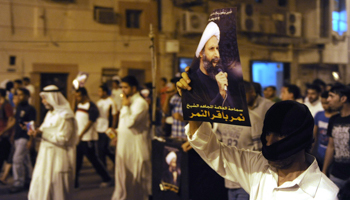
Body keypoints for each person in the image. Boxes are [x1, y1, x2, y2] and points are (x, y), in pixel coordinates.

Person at [176, 75, 339, 199]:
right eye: (268, 133)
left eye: (280, 135)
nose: (269, 141)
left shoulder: (324, 194)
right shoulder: (259, 167)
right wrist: (193, 104)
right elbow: (213, 150)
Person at [28, 85, 78, 200]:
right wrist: (35, 131)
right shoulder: (50, 114)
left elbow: (64, 138)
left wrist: (42, 134)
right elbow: (44, 130)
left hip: (58, 159)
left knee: (57, 190)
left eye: (45, 98)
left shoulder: (66, 116)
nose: (43, 101)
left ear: (53, 97)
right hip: (45, 157)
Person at [112, 76, 151, 200]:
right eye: (121, 87)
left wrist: (125, 107)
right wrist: (117, 133)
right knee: (123, 175)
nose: (122, 90)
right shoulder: (128, 101)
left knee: (135, 177)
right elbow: (123, 124)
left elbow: (130, 123)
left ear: (134, 88)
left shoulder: (140, 103)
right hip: (124, 145)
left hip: (135, 147)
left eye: (125, 87)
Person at [182, 22, 235, 108]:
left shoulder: (222, 79)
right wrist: (221, 93)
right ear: (201, 53)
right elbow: (202, 114)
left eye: (217, 49)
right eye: (211, 49)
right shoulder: (192, 82)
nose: (216, 54)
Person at [213, 109, 263, 200]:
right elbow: (217, 145)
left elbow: (261, 153)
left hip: (247, 182)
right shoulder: (223, 117)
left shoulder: (253, 119)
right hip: (229, 181)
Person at [74, 87, 112, 188]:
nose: (77, 98)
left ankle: (106, 178)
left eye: (79, 96)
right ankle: (74, 182)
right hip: (79, 138)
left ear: (84, 95)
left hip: (87, 138)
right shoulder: (78, 105)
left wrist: (82, 133)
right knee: (77, 161)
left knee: (94, 160)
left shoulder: (91, 106)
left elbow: (91, 121)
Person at [322, 84, 350, 189]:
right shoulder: (334, 119)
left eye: (331, 96)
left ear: (343, 98)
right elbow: (331, 146)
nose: (328, 100)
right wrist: (324, 170)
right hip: (336, 174)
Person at [9, 88, 36, 193]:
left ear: (27, 96)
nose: (19, 97)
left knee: (17, 159)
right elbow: (16, 122)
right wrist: (12, 134)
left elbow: (31, 124)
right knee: (25, 160)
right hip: (17, 136)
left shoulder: (30, 109)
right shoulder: (19, 107)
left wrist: (31, 140)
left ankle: (18, 182)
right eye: (18, 95)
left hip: (24, 137)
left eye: (21, 95)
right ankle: (30, 179)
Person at [311, 91, 338, 169]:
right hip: (319, 153)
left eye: (326, 103)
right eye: (322, 103)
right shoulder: (319, 115)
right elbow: (314, 135)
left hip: (332, 156)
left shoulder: (336, 117)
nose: (324, 106)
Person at [96, 84, 117, 167]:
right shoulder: (98, 102)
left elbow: (114, 115)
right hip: (98, 128)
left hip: (107, 128)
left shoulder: (111, 101)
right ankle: (103, 165)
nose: (98, 93)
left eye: (100, 91)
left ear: (104, 92)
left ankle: (115, 161)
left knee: (105, 148)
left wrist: (112, 127)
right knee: (100, 149)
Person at [0, 88, 14, 183]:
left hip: (3, 134)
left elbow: (11, 119)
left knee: (3, 155)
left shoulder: (6, 105)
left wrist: (5, 131)